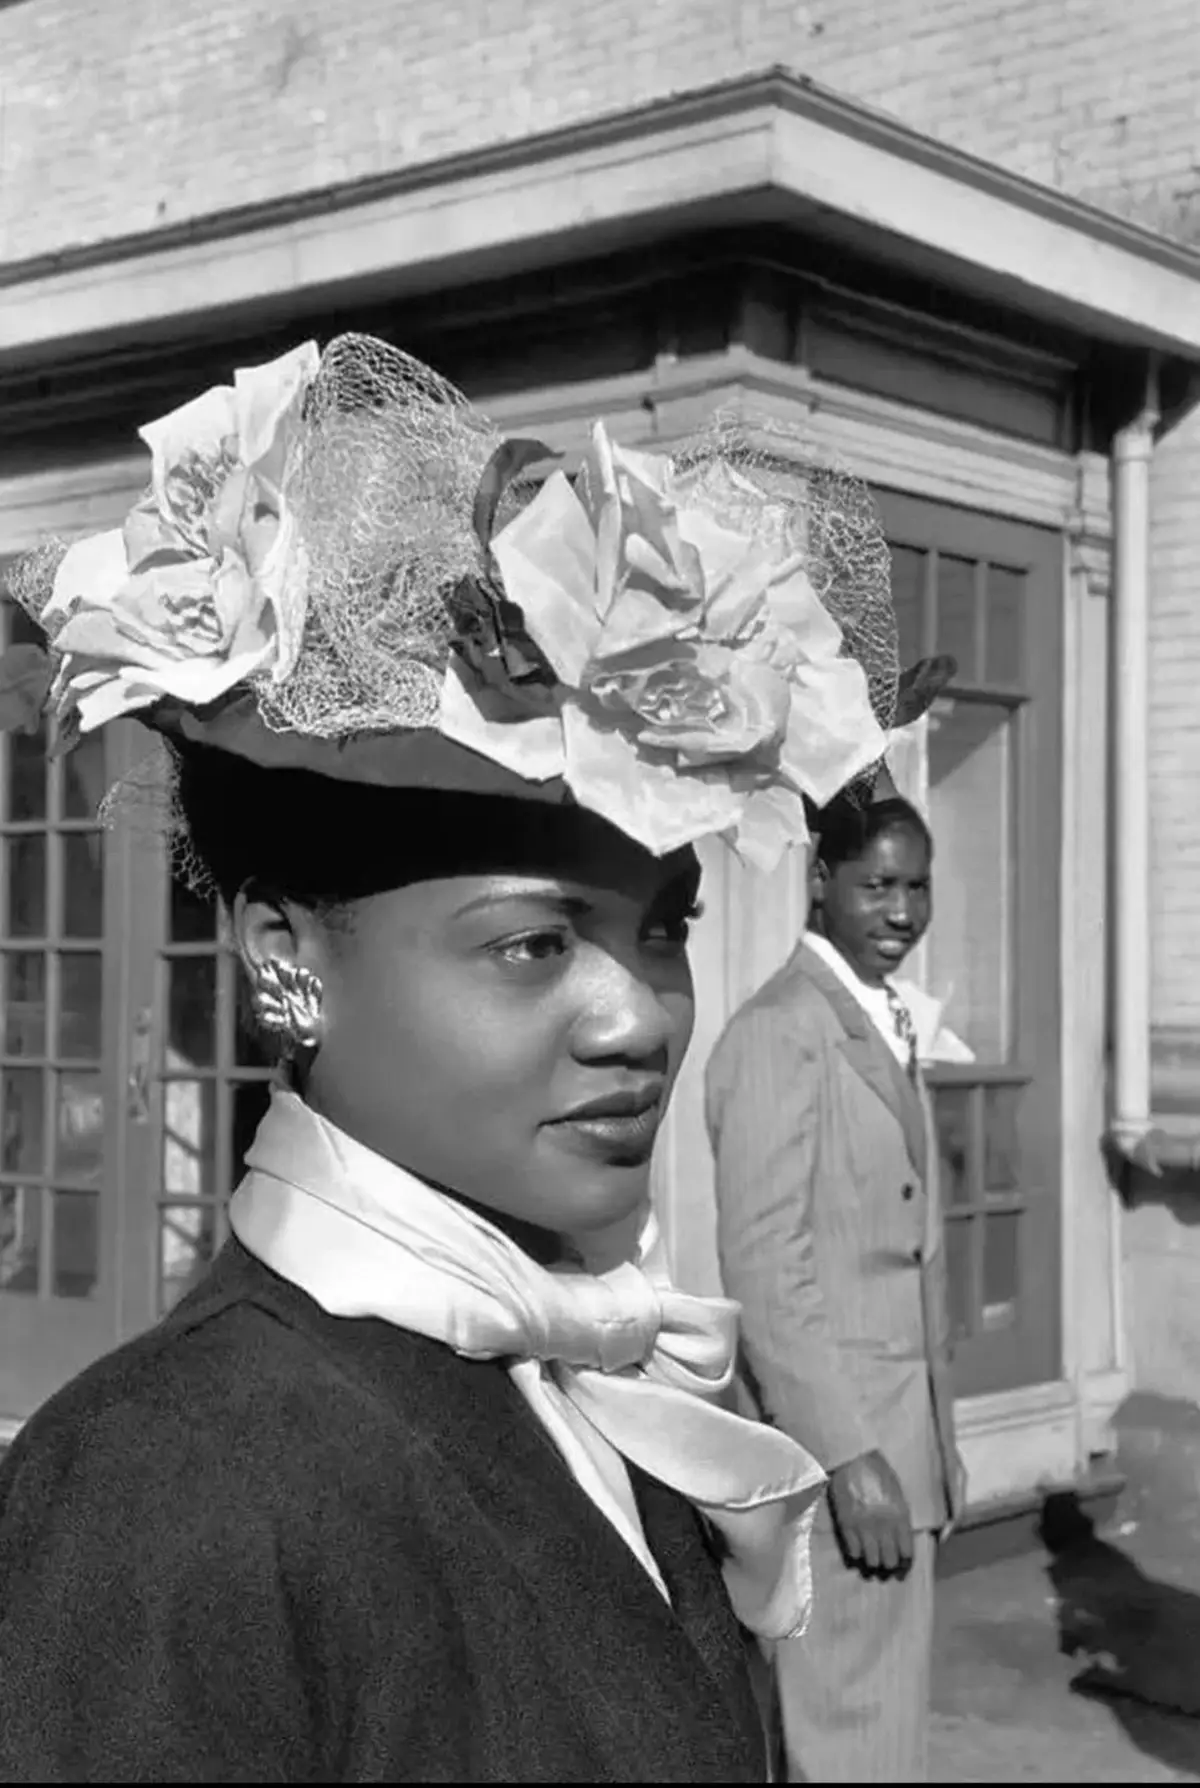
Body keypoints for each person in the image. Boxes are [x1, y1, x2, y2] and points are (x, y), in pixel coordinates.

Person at [0, 335, 899, 1782]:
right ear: (285, 958)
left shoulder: (605, 1376)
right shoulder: (159, 1492)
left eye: (663, 929)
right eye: (534, 944)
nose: (639, 1017)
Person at [706, 792, 966, 1784]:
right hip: (847, 1455)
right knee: (845, 1735)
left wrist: (933, 1444)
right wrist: (851, 1457)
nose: (902, 912)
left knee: (879, 1729)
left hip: (904, 1445)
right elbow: (766, 1264)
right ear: (820, 881)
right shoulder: (784, 1030)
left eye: (918, 887)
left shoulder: (872, 1016)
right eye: (878, 885)